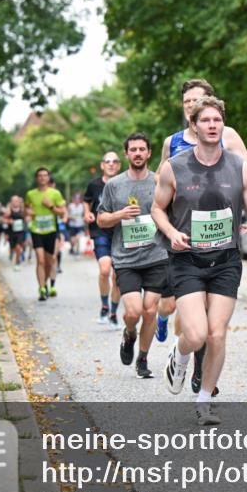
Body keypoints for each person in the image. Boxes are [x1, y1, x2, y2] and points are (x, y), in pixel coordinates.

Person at [152, 95, 247, 425]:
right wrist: (171, 232)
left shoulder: (239, 167)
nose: (213, 125)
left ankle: (204, 399)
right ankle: (181, 352)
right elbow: (157, 208)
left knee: (217, 334)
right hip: (187, 259)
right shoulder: (174, 167)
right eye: (206, 120)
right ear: (194, 125)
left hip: (226, 260)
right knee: (197, 334)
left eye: (217, 120)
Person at [98, 132, 176, 379]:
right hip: (126, 259)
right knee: (133, 312)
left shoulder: (159, 181)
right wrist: (119, 215)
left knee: (151, 310)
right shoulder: (114, 185)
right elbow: (101, 219)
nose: (138, 153)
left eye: (142, 149)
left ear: (149, 153)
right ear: (127, 154)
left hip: (156, 255)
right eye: (133, 150)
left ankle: (143, 358)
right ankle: (129, 333)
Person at [84, 153, 122, 325]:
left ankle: (113, 312)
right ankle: (104, 305)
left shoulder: (124, 183)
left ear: (119, 165)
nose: (111, 164)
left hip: (120, 232)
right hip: (99, 231)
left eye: (115, 162)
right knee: (105, 270)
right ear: (102, 165)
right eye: (108, 161)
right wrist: (86, 213)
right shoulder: (94, 184)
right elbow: (87, 201)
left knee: (118, 276)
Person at [25, 167, 67, 301]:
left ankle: (47, 283)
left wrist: (50, 207)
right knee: (40, 259)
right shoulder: (31, 194)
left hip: (51, 230)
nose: (42, 178)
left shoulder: (55, 194)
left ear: (48, 178)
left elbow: (62, 212)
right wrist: (28, 213)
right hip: (36, 230)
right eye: (40, 176)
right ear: (37, 178)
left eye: (45, 175)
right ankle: (42, 288)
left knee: (50, 262)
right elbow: (26, 209)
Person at [5, 196, 28, 271]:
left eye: (17, 201)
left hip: (20, 232)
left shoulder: (22, 210)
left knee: (18, 248)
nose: (15, 202)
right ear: (11, 202)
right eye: (13, 201)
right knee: (13, 248)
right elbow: (4, 219)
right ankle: (12, 254)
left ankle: (17, 263)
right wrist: (9, 221)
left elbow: (26, 218)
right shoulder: (9, 210)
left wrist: (27, 220)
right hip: (11, 232)